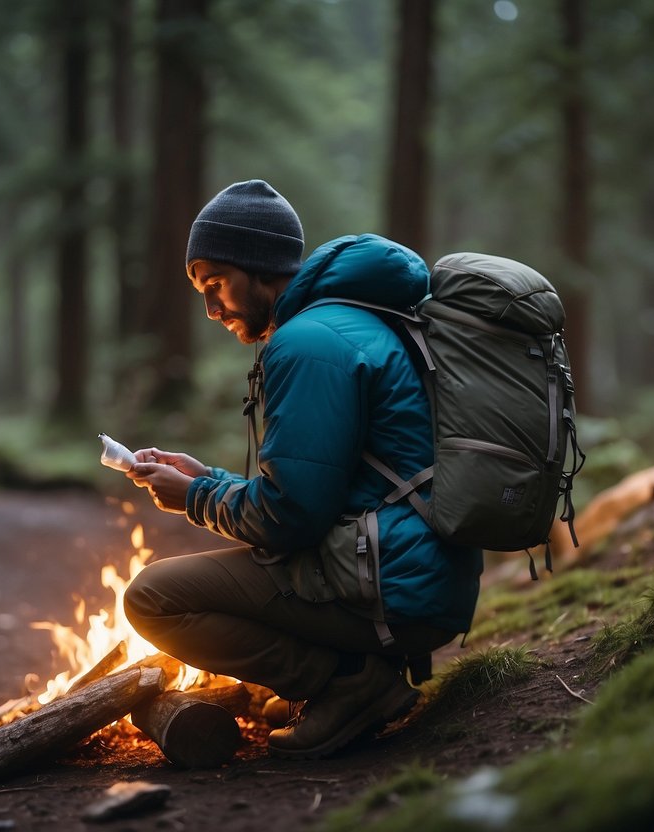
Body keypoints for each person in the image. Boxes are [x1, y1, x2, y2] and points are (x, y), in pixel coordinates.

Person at [122, 179, 484, 759]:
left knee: (153, 597)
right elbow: (322, 487)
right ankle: (354, 669)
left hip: (396, 587)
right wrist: (206, 479)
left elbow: (291, 517)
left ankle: (346, 684)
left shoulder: (307, 342)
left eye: (216, 284)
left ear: (261, 266)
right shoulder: (347, 321)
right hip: (418, 574)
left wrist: (193, 499)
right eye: (202, 291)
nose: (212, 309)